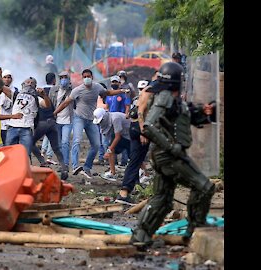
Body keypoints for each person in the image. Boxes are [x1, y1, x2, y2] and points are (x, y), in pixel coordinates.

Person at [130, 62, 216, 248]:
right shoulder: (165, 97)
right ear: (177, 81)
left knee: (163, 199)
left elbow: (182, 118)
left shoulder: (172, 99)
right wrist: (171, 146)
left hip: (165, 155)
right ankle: (196, 228)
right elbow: (148, 126)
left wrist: (203, 112)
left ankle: (140, 236)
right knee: (204, 186)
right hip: (168, 156)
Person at [53, 69, 128, 178]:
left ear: (92, 77)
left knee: (96, 145)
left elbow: (107, 93)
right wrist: (55, 112)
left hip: (91, 119)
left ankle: (87, 167)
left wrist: (122, 91)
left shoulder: (97, 87)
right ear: (82, 78)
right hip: (79, 118)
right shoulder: (78, 90)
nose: (87, 78)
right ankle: (75, 166)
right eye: (85, 77)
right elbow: (66, 103)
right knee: (77, 140)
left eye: (88, 76)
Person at [114, 80, 152, 205]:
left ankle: (131, 187)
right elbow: (140, 113)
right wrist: (142, 131)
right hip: (140, 129)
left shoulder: (140, 96)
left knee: (137, 160)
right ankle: (124, 192)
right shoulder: (148, 94)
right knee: (135, 160)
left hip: (136, 128)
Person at [30, 73, 69, 179]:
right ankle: (64, 167)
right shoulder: (56, 90)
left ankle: (42, 162)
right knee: (56, 148)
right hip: (52, 121)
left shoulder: (32, 95)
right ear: (54, 80)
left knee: (30, 142)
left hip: (41, 123)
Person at [6, 77, 47, 158]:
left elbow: (47, 105)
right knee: (8, 151)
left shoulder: (37, 98)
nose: (29, 84)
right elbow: (2, 87)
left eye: (32, 83)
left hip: (26, 128)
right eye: (28, 82)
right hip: (13, 126)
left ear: (35, 86)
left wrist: (44, 95)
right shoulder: (16, 94)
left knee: (25, 154)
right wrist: (0, 76)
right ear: (23, 84)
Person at [93, 108, 131, 182]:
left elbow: (118, 136)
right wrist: (109, 149)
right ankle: (112, 173)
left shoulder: (115, 118)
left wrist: (109, 150)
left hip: (130, 135)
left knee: (134, 155)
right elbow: (106, 133)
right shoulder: (106, 122)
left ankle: (145, 174)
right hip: (123, 135)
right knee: (111, 150)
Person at [49, 71, 73, 170]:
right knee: (58, 144)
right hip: (56, 120)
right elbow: (50, 104)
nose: (63, 79)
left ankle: (65, 164)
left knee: (65, 142)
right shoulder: (53, 90)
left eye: (65, 77)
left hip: (68, 120)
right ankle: (61, 163)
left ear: (69, 79)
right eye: (61, 77)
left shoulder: (73, 91)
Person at [40, 73, 56, 164]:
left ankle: (42, 152)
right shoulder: (55, 89)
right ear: (54, 80)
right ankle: (49, 156)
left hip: (43, 115)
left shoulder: (42, 89)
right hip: (52, 114)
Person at [0, 69, 17, 145]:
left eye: (9, 77)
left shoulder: (15, 90)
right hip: (0, 122)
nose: (7, 79)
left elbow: (9, 93)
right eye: (4, 77)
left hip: (11, 122)